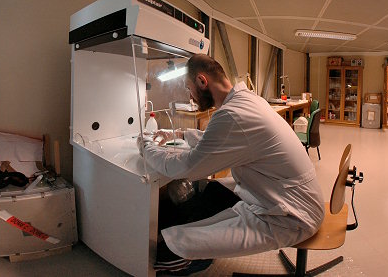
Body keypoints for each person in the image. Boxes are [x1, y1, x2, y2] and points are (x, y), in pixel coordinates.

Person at [137, 55, 324, 275]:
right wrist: (177, 133)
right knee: (214, 191)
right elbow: (219, 139)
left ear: (202, 81)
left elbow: (186, 168)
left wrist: (145, 146)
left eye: (189, 89)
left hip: (292, 215)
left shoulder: (232, 114)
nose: (190, 96)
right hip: (285, 195)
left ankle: (177, 258)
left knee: (174, 248)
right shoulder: (247, 100)